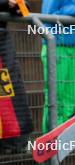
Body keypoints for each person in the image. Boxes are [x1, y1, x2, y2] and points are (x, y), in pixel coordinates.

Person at [41, 0, 75, 133]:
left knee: (70, 98)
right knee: (56, 96)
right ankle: (51, 139)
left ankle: (62, 136)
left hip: (73, 45)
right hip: (57, 46)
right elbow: (48, 14)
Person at [0, 0, 33, 153]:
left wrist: (18, 5)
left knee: (12, 91)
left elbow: (24, 8)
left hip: (2, 43)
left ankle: (16, 142)